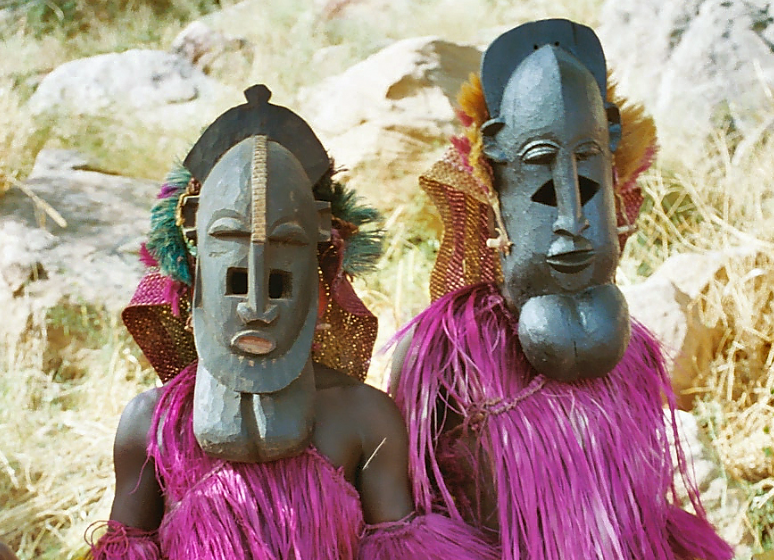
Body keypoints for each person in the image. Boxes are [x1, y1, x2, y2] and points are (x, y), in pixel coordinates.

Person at [87, 85, 495, 560]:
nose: (256, 305)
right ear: (194, 277)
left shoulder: (366, 417)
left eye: (279, 280)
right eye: (235, 278)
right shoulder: (150, 424)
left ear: (319, 287)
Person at [390, 19, 734, 560]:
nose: (572, 219)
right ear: (496, 186)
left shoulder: (634, 349)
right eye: (545, 185)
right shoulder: (446, 354)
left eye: (590, 183)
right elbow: (420, 508)